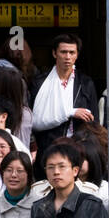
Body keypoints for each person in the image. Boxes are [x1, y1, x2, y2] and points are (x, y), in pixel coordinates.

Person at [30, 35, 99, 179]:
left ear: (77, 55)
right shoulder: (39, 83)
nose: (68, 56)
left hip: (79, 148)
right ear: (55, 53)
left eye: (72, 52)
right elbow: (34, 121)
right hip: (48, 148)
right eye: (63, 52)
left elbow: (94, 122)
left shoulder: (86, 83)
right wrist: (71, 112)